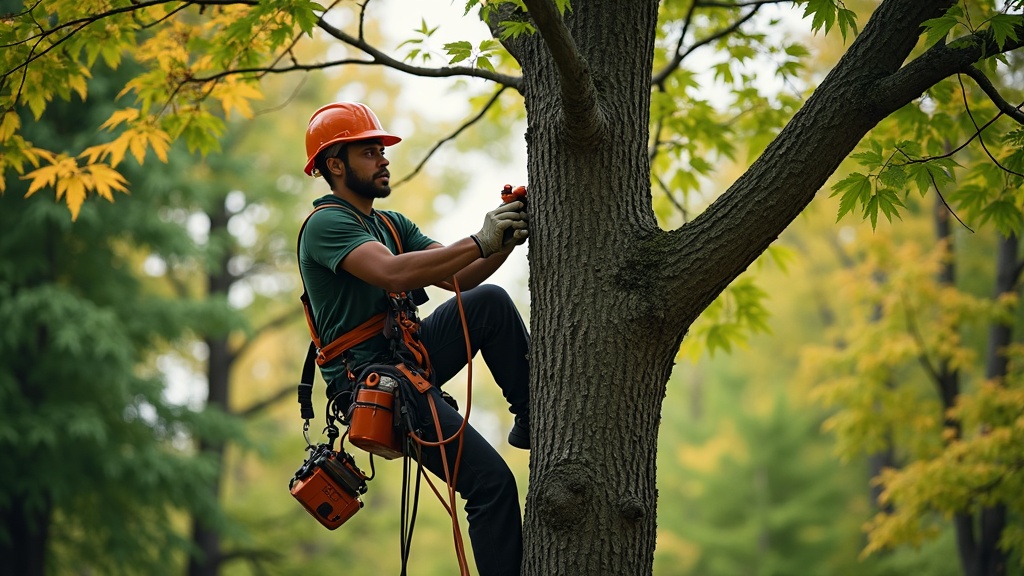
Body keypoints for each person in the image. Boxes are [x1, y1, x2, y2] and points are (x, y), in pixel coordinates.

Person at [297, 101, 531, 576]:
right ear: (335, 165)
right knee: (490, 484)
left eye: (381, 151)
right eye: (370, 152)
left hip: (409, 360)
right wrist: (481, 240)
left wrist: (503, 234)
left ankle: (533, 416)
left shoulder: (390, 224)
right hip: (376, 385)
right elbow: (389, 273)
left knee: (487, 301)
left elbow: (459, 274)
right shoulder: (325, 225)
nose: (383, 159)